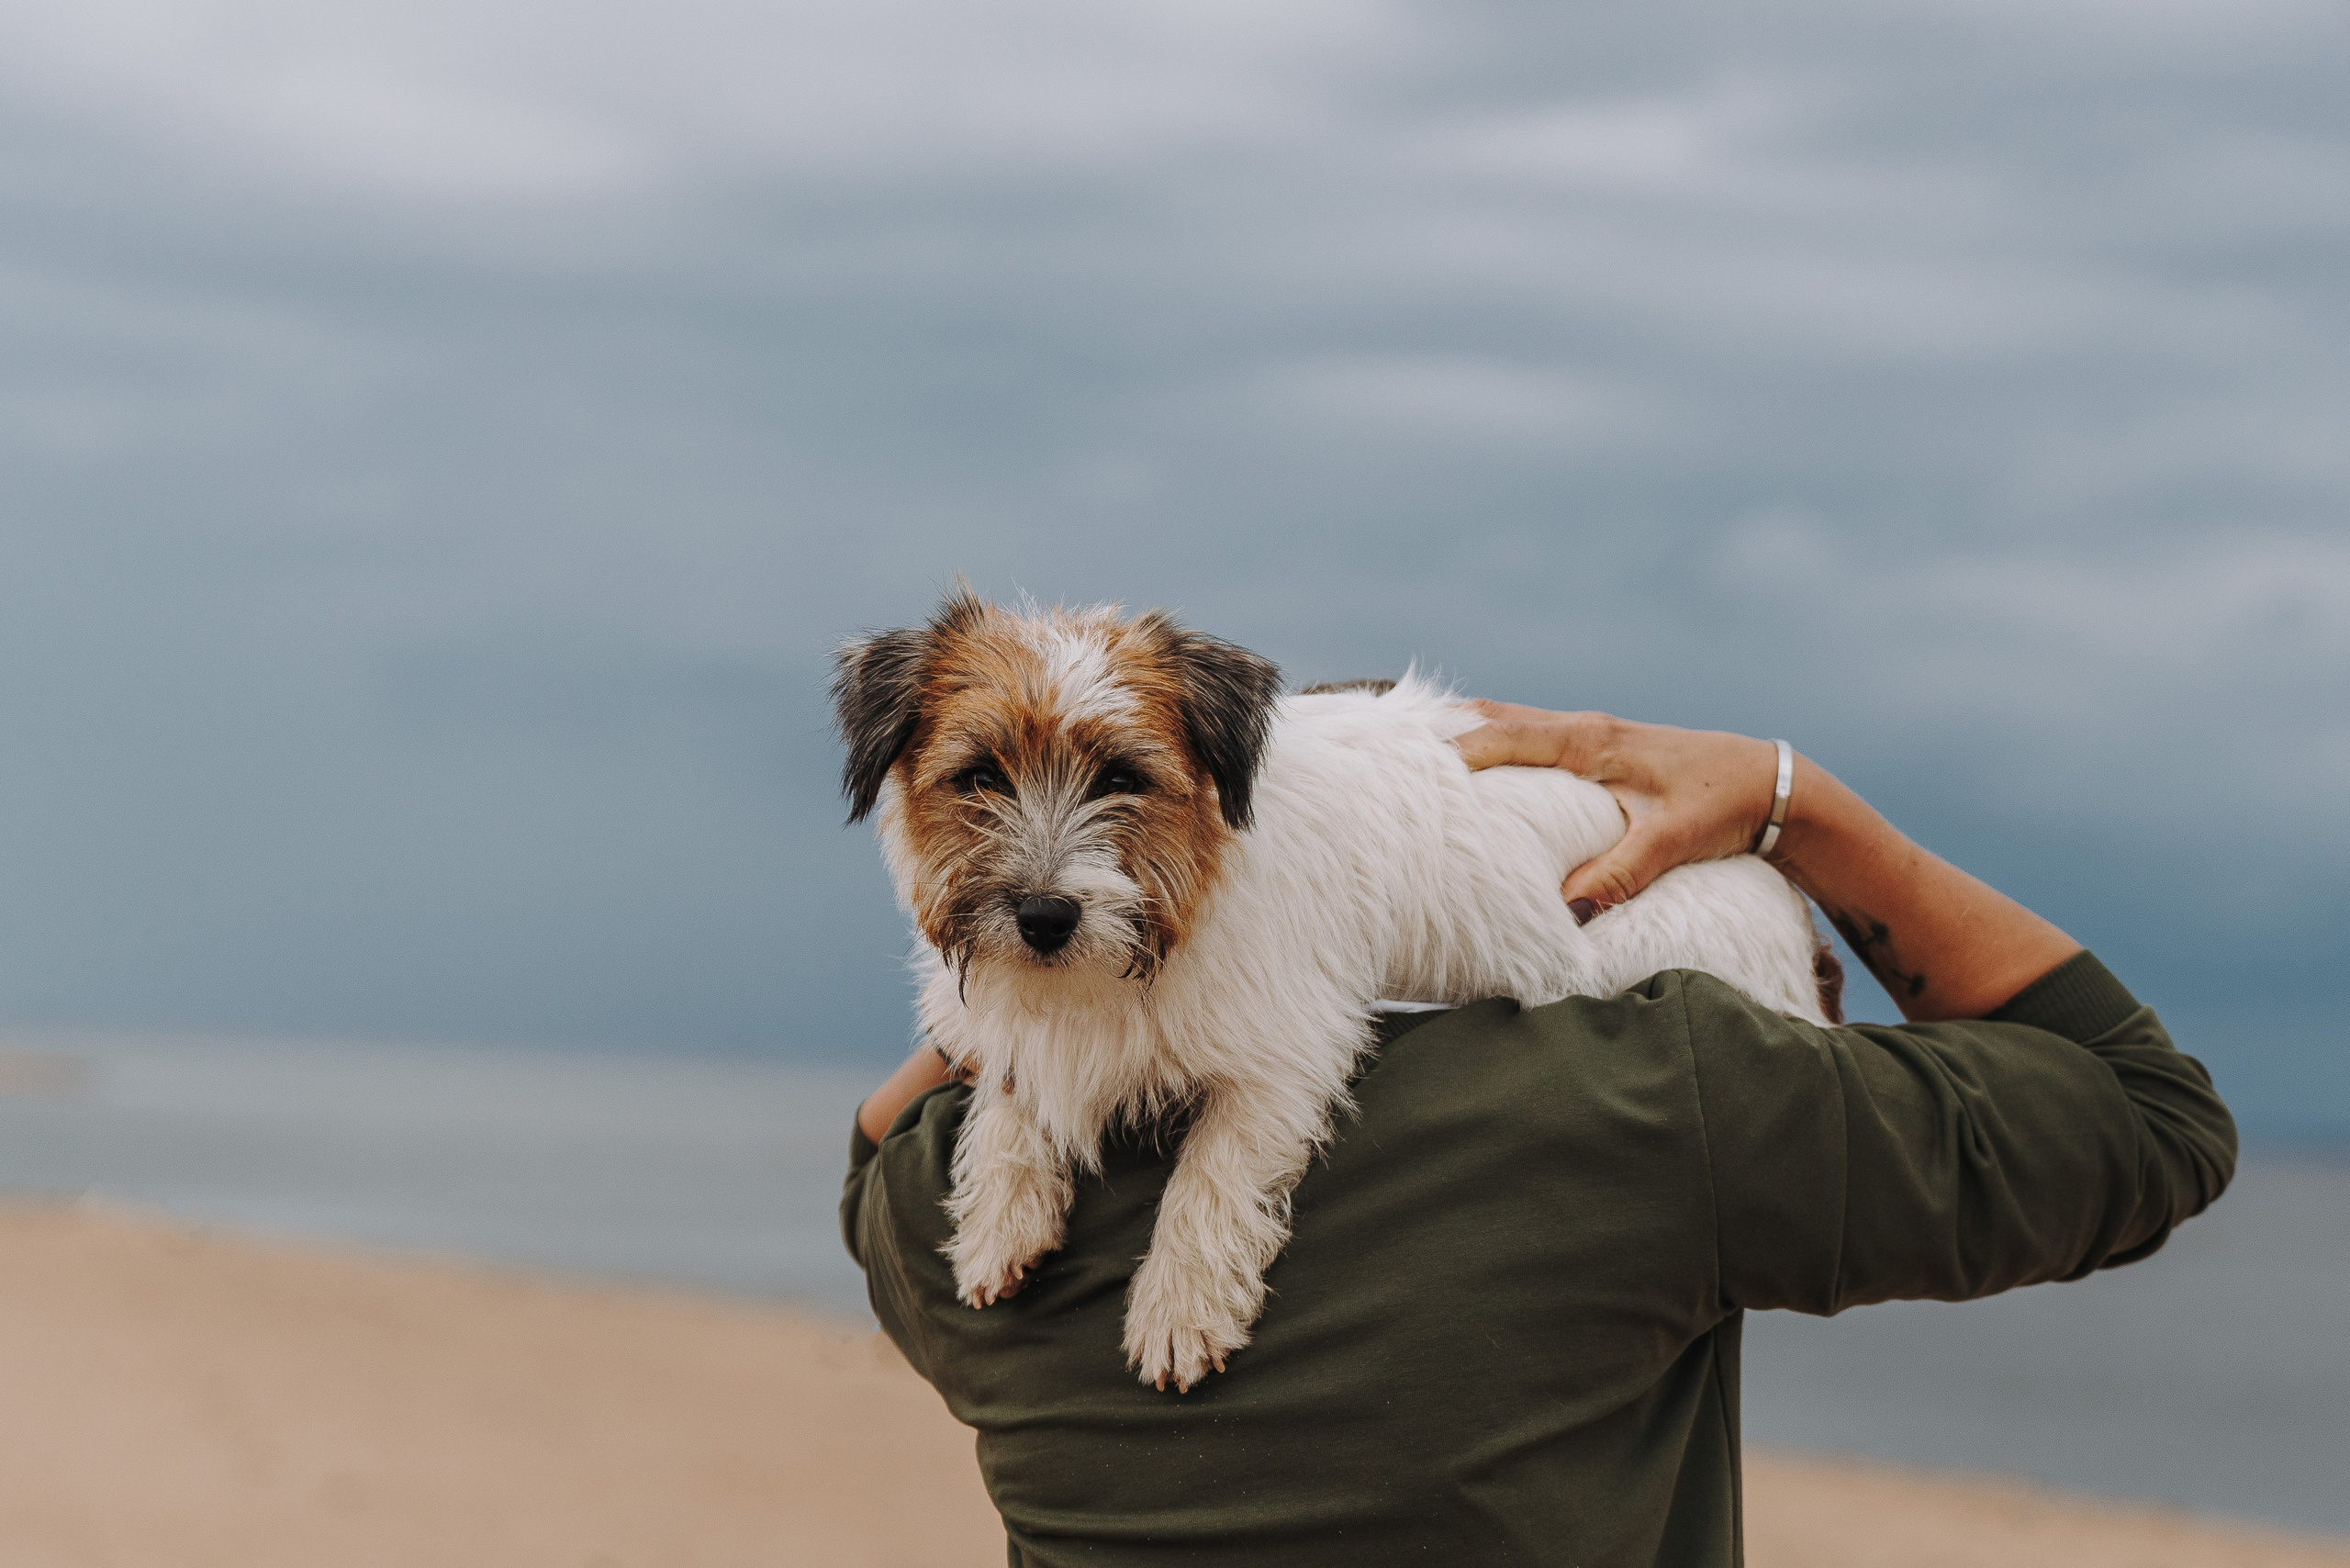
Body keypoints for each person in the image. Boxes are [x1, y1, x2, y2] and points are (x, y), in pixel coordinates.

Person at [842, 706, 2235, 1567]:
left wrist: (1006, 1025)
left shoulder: (945, 1220)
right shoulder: (1658, 1107)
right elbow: (2151, 1118)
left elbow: (877, 1148)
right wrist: (1799, 805)